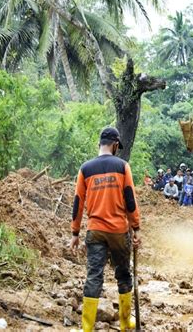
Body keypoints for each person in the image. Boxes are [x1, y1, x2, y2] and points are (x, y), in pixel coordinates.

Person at [70, 127, 141, 332]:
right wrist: (136, 227)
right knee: (123, 274)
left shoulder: (85, 169)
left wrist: (75, 233)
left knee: (94, 276)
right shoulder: (122, 166)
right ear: (115, 144)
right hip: (119, 231)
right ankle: (126, 322)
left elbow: (77, 203)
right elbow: (130, 199)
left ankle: (87, 327)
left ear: (100, 143)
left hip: (95, 230)